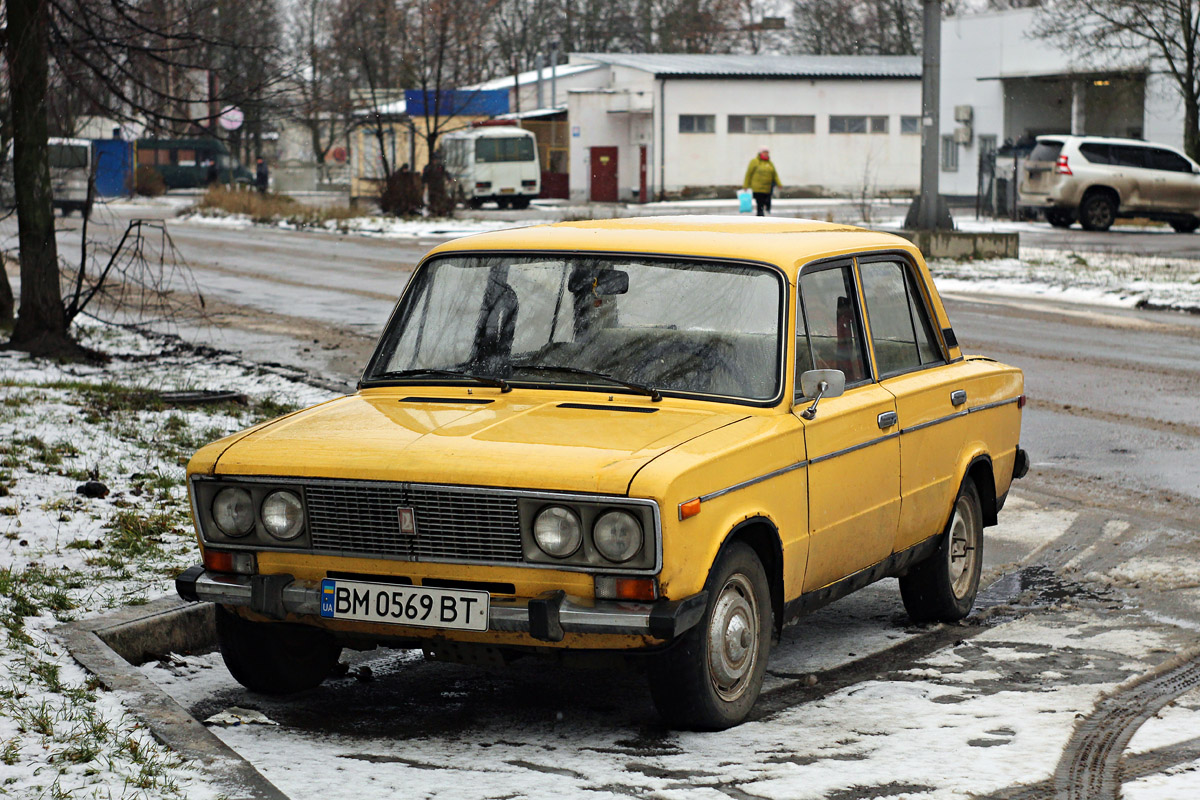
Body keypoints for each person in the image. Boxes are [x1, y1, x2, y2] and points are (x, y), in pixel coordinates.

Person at [743, 148, 782, 216]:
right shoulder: (755, 161)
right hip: (757, 188)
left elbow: (774, 174)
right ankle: (760, 216)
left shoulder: (770, 163)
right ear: (760, 153)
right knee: (760, 203)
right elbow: (749, 174)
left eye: (767, 152)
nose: (766, 153)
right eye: (764, 152)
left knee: (767, 202)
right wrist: (746, 185)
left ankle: (764, 214)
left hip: (768, 188)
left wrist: (779, 183)